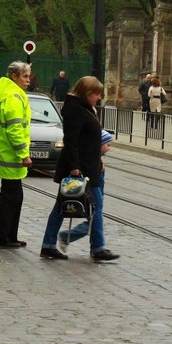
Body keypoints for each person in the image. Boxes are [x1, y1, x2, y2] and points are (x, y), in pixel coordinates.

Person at [39, 75, 119, 261]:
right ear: (86, 93)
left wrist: (98, 159)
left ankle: (49, 244)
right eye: (96, 94)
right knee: (95, 206)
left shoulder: (85, 107)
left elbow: (90, 139)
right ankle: (98, 248)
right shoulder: (75, 109)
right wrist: (75, 167)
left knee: (62, 206)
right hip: (81, 169)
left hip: (91, 166)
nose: (99, 97)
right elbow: (71, 141)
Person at [56, 129, 118, 259]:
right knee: (94, 219)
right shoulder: (93, 161)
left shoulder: (98, 161)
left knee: (93, 220)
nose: (109, 148)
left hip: (97, 191)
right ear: (98, 145)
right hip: (92, 190)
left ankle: (91, 247)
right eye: (108, 145)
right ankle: (69, 237)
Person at [0, 61, 33, 249]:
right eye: (25, 76)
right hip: (11, 157)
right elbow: (15, 130)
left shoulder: (11, 94)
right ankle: (2, 237)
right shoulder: (13, 97)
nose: (28, 80)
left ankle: (8, 236)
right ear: (14, 77)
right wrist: (24, 154)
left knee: (13, 198)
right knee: (11, 199)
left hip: (9, 155)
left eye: (28, 76)